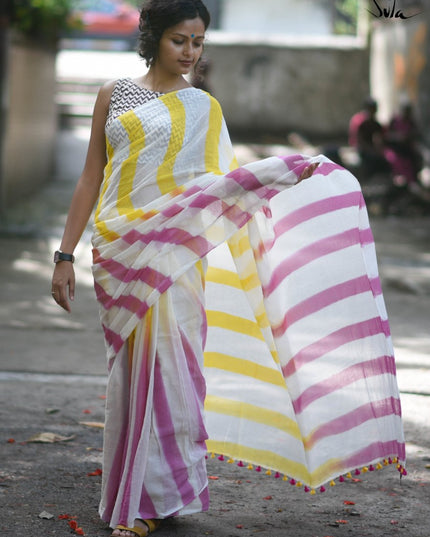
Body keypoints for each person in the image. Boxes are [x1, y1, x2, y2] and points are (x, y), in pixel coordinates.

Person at [51, 1, 405, 536]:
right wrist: (63, 254)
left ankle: (154, 500)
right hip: (120, 252)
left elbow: (221, 188)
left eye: (198, 42)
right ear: (152, 37)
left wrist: (282, 174)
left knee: (172, 370)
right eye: (179, 40)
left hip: (174, 258)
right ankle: (141, 491)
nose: (190, 52)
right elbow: (90, 177)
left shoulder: (203, 109)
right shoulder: (112, 94)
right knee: (131, 375)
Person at [348, 97, 392, 180]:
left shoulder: (375, 123)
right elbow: (359, 141)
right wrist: (372, 150)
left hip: (371, 148)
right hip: (361, 148)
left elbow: (379, 138)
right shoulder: (359, 121)